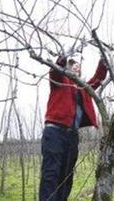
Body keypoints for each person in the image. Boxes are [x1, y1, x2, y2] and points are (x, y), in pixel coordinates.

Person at [39, 55, 108, 201]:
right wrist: (61, 62)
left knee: (67, 174)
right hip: (54, 132)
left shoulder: (83, 88)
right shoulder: (60, 81)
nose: (77, 67)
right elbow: (55, 72)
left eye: (78, 66)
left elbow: (97, 80)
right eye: (73, 65)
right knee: (51, 172)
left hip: (72, 136)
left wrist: (103, 63)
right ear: (67, 69)